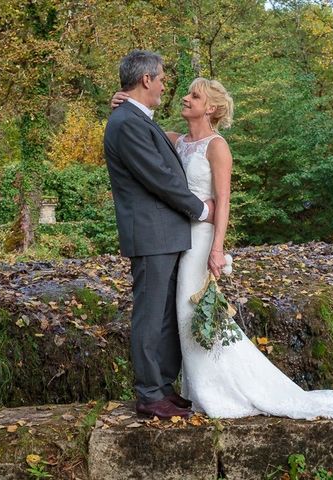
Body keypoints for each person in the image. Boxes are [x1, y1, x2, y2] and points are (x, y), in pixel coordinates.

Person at [111, 77, 333, 420]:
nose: (185, 98)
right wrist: (125, 101)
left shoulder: (217, 146)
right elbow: (141, 131)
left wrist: (218, 247)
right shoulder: (175, 141)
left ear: (210, 108)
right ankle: (188, 389)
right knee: (180, 314)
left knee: (192, 309)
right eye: (186, 93)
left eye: (194, 96)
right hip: (175, 236)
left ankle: (220, 388)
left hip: (201, 239)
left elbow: (224, 201)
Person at [104, 50, 215, 420]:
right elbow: (158, 177)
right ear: (146, 80)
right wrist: (200, 209)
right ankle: (150, 394)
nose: (166, 85)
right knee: (150, 315)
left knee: (166, 314)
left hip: (166, 235)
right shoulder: (127, 122)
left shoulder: (137, 118)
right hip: (151, 234)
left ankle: (163, 387)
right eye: (163, 78)